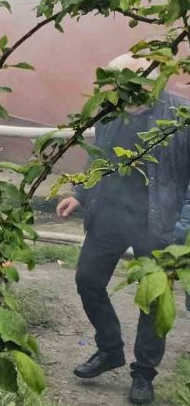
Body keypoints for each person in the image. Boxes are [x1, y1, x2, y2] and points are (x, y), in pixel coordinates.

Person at [56, 53, 190, 405]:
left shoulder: (181, 117)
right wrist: (81, 195)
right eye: (115, 82)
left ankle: (144, 374)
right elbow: (98, 159)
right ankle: (110, 348)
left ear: (150, 81)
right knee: (87, 279)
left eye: (127, 81)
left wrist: (183, 226)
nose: (117, 89)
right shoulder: (110, 114)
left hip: (159, 222)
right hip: (109, 215)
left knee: (153, 299)